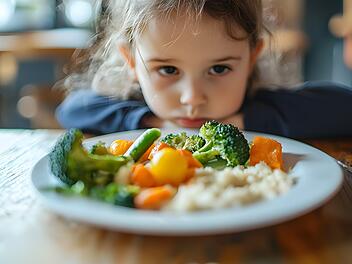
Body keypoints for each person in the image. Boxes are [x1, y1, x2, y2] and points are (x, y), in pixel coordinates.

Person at [56, 0, 352, 138]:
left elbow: (345, 107)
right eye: (168, 70)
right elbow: (73, 108)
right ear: (132, 63)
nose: (192, 99)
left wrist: (244, 121)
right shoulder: (138, 106)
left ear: (251, 59)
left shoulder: (263, 105)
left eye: (219, 69)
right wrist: (153, 123)